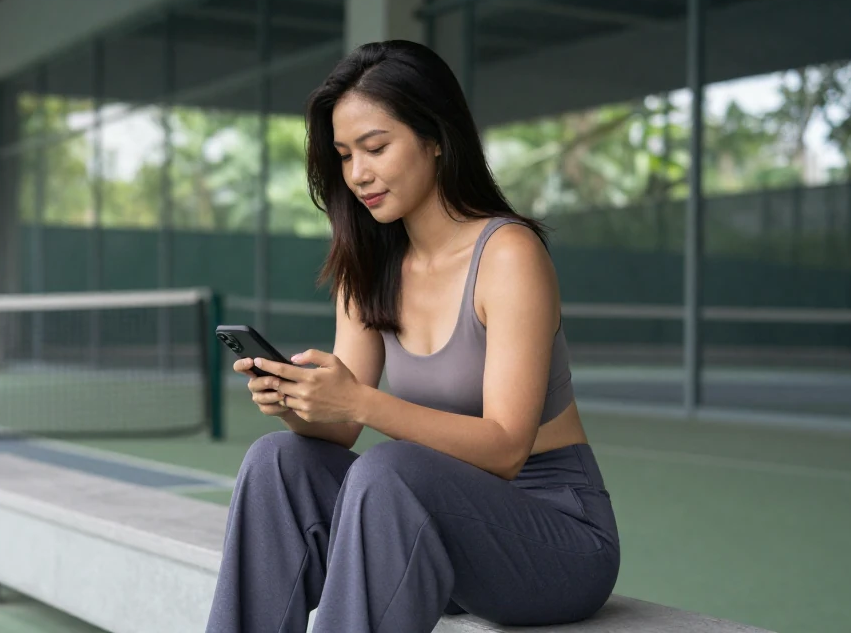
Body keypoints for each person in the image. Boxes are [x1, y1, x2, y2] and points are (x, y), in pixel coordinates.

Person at [205, 40, 620, 633]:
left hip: (553, 536)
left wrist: (357, 400)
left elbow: (506, 449)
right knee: (278, 461)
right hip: (432, 528)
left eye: (376, 148)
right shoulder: (369, 264)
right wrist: (300, 402)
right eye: (345, 155)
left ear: (437, 138)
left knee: (392, 469)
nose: (358, 174)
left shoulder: (508, 255)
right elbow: (343, 427)